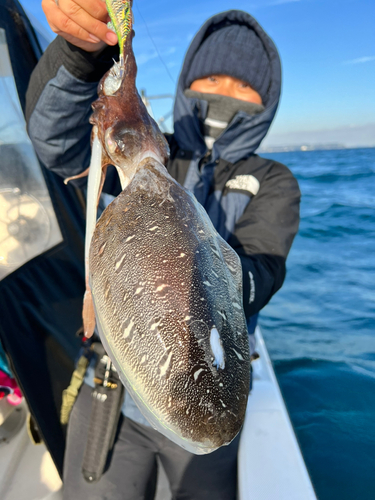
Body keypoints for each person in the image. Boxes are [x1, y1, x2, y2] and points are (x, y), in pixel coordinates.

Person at [26, 2, 300, 499]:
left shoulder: (272, 183)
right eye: (212, 78)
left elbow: (264, 268)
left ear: (267, 96)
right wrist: (81, 53)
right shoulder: (157, 152)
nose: (225, 93)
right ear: (188, 82)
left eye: (243, 84)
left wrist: (196, 275)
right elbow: (54, 142)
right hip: (112, 389)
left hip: (207, 386)